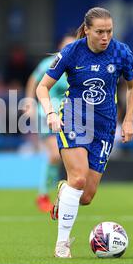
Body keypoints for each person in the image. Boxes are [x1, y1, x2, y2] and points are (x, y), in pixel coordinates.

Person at [36, 7, 133, 258]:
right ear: (87, 31)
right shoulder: (72, 51)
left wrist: (128, 120)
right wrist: (50, 112)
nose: (106, 37)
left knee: (86, 196)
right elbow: (42, 87)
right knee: (79, 178)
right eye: (100, 32)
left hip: (105, 126)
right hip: (73, 118)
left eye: (109, 31)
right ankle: (62, 245)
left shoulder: (121, 51)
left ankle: (64, 192)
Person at [25, 33, 75, 212]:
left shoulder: (78, 67)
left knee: (66, 157)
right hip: (48, 113)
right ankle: (43, 195)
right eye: (66, 45)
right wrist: (30, 101)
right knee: (54, 154)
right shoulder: (52, 63)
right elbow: (34, 80)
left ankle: (62, 194)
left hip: (71, 116)